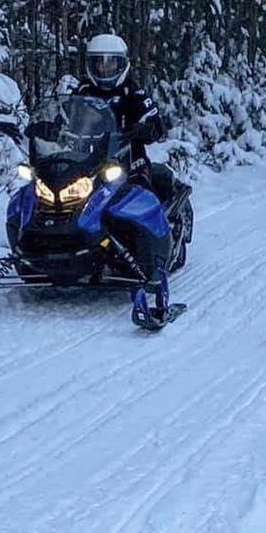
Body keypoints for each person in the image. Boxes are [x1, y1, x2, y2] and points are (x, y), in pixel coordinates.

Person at [73, 32, 187, 329]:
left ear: (122, 65)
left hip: (129, 164)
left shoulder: (133, 93)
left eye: (111, 64)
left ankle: (155, 257)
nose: (105, 69)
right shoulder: (82, 91)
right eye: (100, 64)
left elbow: (156, 123)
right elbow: (67, 118)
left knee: (143, 203)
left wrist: (144, 129)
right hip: (88, 165)